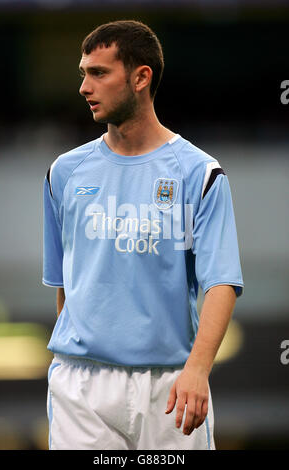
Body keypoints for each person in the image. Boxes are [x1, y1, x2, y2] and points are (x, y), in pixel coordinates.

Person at [42, 20, 244, 451]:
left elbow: (221, 282)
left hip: (171, 385)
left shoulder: (200, 174)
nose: (84, 87)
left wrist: (198, 370)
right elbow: (64, 286)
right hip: (81, 387)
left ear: (140, 77)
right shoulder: (64, 172)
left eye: (98, 73)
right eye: (83, 73)